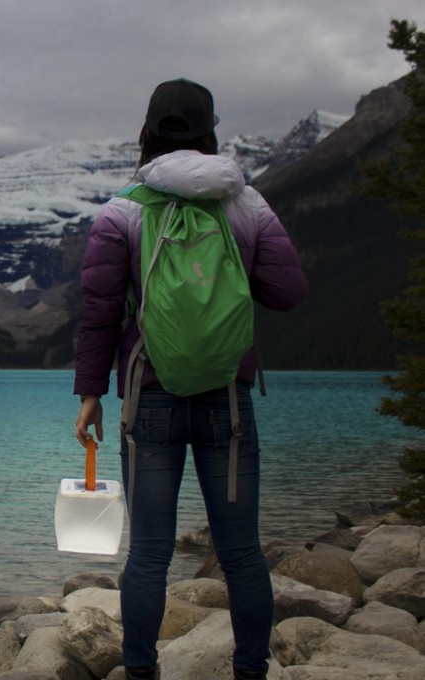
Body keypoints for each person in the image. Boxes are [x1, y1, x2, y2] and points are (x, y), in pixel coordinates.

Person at [73, 78, 307, 680]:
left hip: (147, 397)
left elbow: (99, 312)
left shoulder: (123, 209)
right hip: (226, 398)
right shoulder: (247, 204)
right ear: (211, 133)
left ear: (147, 133)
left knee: (149, 554)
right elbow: (286, 292)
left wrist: (90, 393)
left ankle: (141, 673)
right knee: (241, 554)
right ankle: (251, 671)